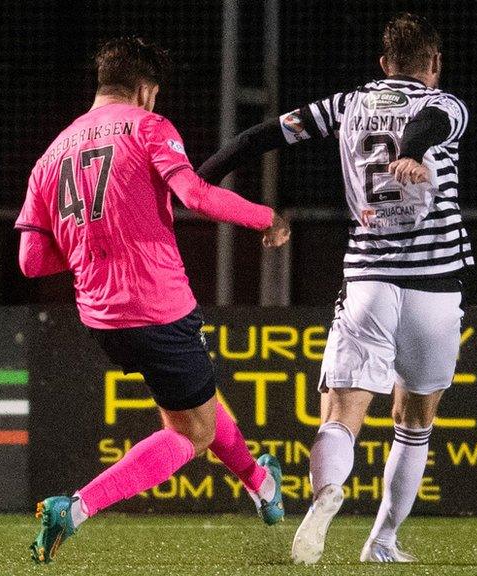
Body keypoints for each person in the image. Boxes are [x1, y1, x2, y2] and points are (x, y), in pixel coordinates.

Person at [198, 12, 470, 564]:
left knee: (341, 416)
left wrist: (197, 182)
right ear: (433, 65)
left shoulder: (346, 104)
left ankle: (326, 496)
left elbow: (259, 137)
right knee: (416, 422)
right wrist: (412, 154)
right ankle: (383, 541)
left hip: (368, 279)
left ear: (382, 64)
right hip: (435, 287)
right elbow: (428, 128)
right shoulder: (445, 104)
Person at [17, 37, 292, 564]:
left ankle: (261, 484)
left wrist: (91, 247)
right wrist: (267, 218)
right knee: (192, 432)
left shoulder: (50, 155)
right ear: (146, 91)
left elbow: (31, 260)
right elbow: (195, 195)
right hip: (157, 306)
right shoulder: (148, 127)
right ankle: (73, 508)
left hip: (101, 316)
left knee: (197, 408)